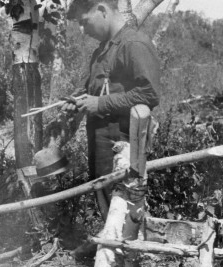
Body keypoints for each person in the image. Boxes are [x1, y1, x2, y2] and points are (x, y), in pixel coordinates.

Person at [63, 0, 162, 201]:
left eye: (84, 22)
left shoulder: (134, 44)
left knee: (124, 213)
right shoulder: (101, 51)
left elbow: (149, 94)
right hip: (101, 149)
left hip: (123, 150)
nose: (82, 31)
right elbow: (94, 88)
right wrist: (77, 100)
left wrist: (99, 104)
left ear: (102, 10)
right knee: (108, 212)